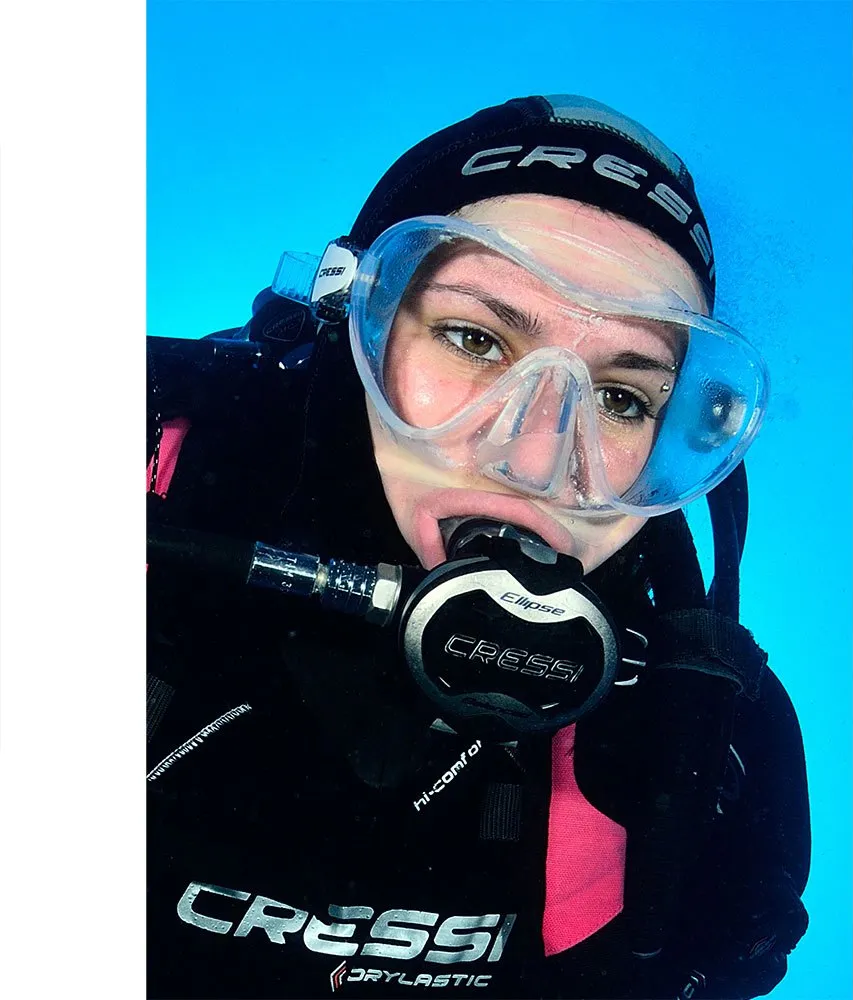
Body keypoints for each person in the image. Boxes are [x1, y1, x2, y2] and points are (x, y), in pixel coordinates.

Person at [146, 95, 810, 1000]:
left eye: (622, 398)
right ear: (355, 333)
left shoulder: (699, 747)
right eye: (474, 339)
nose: (537, 459)